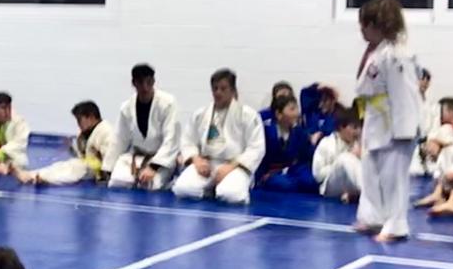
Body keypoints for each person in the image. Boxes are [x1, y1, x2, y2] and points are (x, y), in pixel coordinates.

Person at [351, 0, 424, 242]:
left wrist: (405, 131)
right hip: (376, 120)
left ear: (376, 25)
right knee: (371, 173)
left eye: (364, 24)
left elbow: (404, 94)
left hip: (396, 124)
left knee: (393, 179)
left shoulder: (396, 55)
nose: (361, 30)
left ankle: (396, 226)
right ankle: (373, 217)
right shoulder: (377, 52)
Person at [172, 69, 265, 205]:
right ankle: (209, 190)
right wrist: (197, 160)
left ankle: (225, 188)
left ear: (233, 90)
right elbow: (188, 141)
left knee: (231, 195)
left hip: (236, 166)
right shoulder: (201, 114)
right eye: (215, 89)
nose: (218, 92)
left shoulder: (248, 115)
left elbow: (256, 148)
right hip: (207, 164)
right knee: (182, 189)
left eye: (223, 89)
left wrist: (231, 166)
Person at [107, 63, 181, 191]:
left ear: (154, 81)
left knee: (151, 185)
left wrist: (153, 167)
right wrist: (107, 168)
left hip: (160, 159)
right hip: (137, 156)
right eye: (140, 83)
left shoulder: (167, 103)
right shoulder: (126, 107)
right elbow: (119, 139)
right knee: (117, 182)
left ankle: (170, 178)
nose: (145, 87)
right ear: (134, 83)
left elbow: (171, 139)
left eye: (149, 82)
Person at [16, 101, 113, 186]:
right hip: (87, 165)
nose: (78, 124)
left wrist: (103, 176)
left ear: (91, 117)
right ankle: (31, 175)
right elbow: (83, 155)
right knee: (62, 165)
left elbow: (109, 158)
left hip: (95, 170)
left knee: (75, 170)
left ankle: (42, 178)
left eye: (79, 120)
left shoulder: (106, 131)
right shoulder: (86, 133)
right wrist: (72, 148)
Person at [255, 92, 319, 193]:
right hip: (272, 173)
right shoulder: (266, 131)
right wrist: (261, 177)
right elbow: (259, 158)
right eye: (292, 109)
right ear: (279, 114)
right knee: (284, 184)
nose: (297, 113)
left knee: (310, 182)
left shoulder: (298, 131)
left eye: (297, 109)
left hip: (293, 170)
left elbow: (307, 154)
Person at [313, 108, 363, 203]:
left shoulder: (360, 145)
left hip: (353, 186)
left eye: (358, 128)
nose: (357, 132)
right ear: (341, 127)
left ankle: (355, 194)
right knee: (345, 158)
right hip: (332, 187)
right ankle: (368, 194)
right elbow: (317, 175)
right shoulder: (326, 143)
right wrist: (339, 164)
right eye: (354, 127)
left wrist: (362, 157)